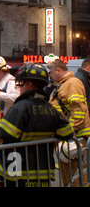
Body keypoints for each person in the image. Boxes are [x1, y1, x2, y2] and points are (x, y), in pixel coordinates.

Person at [0, 63, 74, 187]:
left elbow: (3, 133)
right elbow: (67, 132)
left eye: (22, 83)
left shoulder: (20, 108)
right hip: (42, 172)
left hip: (17, 171)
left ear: (29, 84)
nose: (19, 87)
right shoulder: (51, 109)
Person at [47, 59, 90, 187]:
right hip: (70, 139)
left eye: (51, 73)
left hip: (76, 139)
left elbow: (78, 111)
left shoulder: (72, 83)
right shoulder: (63, 84)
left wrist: (70, 132)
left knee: (77, 177)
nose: (50, 76)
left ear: (58, 70)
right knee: (70, 177)